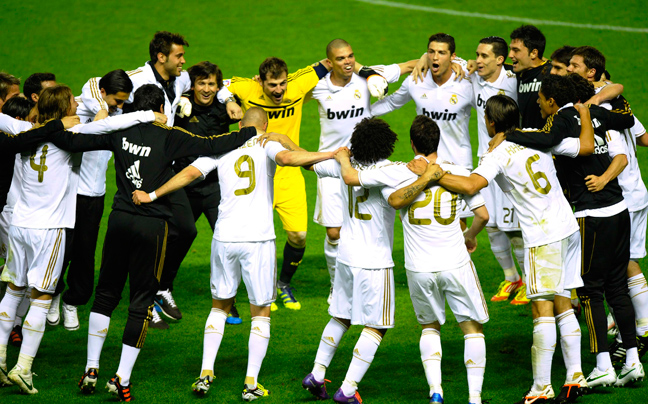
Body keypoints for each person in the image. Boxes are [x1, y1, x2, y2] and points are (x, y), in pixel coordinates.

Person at [47, 84, 257, 401]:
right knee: (141, 301)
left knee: (105, 296)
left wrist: (47, 128)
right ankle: (122, 377)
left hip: (119, 220)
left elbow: (74, 140)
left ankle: (91, 368)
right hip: (152, 226)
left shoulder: (119, 132)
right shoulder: (170, 136)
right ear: (160, 109)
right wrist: (252, 131)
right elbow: (212, 144)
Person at [132, 107, 337, 400]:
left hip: (224, 237)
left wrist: (151, 195)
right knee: (261, 312)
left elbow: (189, 173)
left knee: (219, 307)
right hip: (258, 240)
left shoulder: (222, 144)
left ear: (240, 125)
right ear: (266, 125)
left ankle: (205, 373)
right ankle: (251, 383)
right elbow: (289, 159)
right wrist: (328, 154)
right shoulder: (268, 142)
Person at [425, 94, 592, 404]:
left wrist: (435, 174)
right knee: (563, 301)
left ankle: (541, 388)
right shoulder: (535, 136)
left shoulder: (497, 154)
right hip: (568, 228)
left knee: (541, 309)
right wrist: (584, 114)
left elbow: (471, 185)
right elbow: (583, 147)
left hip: (543, 236)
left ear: (490, 123)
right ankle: (575, 376)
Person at [0, 83, 156, 395]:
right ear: (64, 109)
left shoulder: (24, 129)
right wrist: (149, 115)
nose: (77, 103)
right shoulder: (73, 135)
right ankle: (24, 367)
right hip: (50, 228)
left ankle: (1, 360)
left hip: (19, 225)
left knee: (13, 292)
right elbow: (109, 125)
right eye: (73, 100)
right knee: (41, 298)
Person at [504, 75, 643, 389]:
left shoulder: (562, 119)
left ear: (552, 100)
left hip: (590, 214)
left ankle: (603, 365)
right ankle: (632, 361)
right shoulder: (594, 113)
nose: (538, 103)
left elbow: (547, 140)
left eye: (541, 98)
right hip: (619, 209)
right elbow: (627, 119)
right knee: (617, 287)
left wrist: (510, 134)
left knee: (591, 290)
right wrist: (597, 107)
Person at [225, 54, 385, 311]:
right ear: (261, 82)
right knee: (247, 237)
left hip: (289, 173)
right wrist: (229, 100)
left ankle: (283, 284)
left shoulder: (298, 83)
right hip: (255, 174)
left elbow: (333, 60)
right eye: (272, 85)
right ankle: (243, 292)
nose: (279, 90)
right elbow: (214, 84)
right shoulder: (246, 88)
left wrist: (370, 74)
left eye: (282, 84)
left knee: (298, 236)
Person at [303, 117, 413, 403]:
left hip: (345, 256)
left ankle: (317, 374)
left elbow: (306, 163)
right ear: (386, 145)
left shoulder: (344, 167)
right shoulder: (391, 171)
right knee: (378, 325)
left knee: (341, 315)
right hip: (374, 261)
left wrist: (336, 155)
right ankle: (348, 389)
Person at [387, 115, 489, 404]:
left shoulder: (401, 173)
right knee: (472, 329)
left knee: (430, 327)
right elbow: (483, 216)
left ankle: (436, 392)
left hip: (418, 268)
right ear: (438, 142)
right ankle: (474, 398)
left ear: (412, 143)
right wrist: (469, 236)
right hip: (455, 263)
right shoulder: (457, 173)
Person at [309, 38, 416, 300]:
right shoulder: (318, 86)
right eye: (341, 58)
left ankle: (365, 279)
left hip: (364, 166)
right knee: (334, 232)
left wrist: (433, 60)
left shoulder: (367, 77)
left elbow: (408, 66)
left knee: (365, 227)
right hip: (332, 164)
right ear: (330, 62)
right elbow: (285, 92)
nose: (348, 62)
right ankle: (336, 286)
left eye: (350, 56)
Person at [568, 46, 648, 363]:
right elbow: (643, 137)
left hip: (619, 195)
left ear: (591, 73)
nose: (568, 70)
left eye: (573, 66)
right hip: (630, 192)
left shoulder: (600, 101)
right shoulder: (612, 99)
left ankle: (640, 331)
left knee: (618, 268)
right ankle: (634, 333)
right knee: (622, 266)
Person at [51, 69, 134, 332]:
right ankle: (53, 293)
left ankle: (72, 302)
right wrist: (101, 110)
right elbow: (92, 81)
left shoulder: (119, 111)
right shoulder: (80, 106)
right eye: (116, 100)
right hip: (68, 193)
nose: (120, 106)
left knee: (85, 253)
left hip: (95, 196)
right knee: (62, 250)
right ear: (103, 93)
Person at [172, 61, 243, 324]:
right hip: (185, 186)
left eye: (211, 84)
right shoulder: (179, 106)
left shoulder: (226, 107)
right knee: (176, 240)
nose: (206, 89)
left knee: (227, 243)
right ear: (192, 85)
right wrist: (179, 99)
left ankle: (227, 300)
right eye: (201, 83)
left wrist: (232, 100)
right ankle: (161, 291)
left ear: (218, 86)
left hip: (216, 187)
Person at [470, 35, 528, 305]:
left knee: (514, 230)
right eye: (477, 55)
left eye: (484, 56)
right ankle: (511, 277)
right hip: (485, 163)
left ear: (500, 60)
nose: (478, 60)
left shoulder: (514, 82)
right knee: (492, 226)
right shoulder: (473, 78)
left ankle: (529, 281)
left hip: (508, 165)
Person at [372, 33, 474, 171]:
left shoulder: (466, 84)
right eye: (431, 52)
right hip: (424, 165)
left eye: (441, 53)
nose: (435, 57)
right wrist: (361, 114)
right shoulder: (416, 79)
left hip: (459, 165)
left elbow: (487, 110)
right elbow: (391, 103)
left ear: (453, 57)